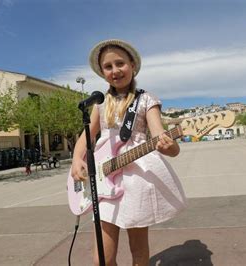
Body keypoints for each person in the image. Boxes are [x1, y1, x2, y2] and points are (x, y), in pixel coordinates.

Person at [71, 39, 187, 265]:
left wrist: (168, 145)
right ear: (102, 72)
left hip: (137, 181)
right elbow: (85, 138)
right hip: (104, 181)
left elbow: (164, 141)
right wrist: (77, 159)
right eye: (108, 66)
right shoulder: (100, 104)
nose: (115, 70)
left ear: (132, 65)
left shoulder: (146, 100)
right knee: (101, 259)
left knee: (139, 254)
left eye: (120, 63)